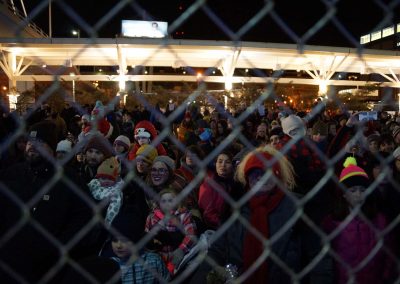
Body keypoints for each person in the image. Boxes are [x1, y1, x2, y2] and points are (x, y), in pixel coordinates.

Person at [190, 146, 333, 283]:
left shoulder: (298, 209)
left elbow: (318, 259)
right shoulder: (235, 210)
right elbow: (217, 251)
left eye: (266, 171)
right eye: (254, 172)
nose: (260, 177)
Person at [0, 121, 94, 283]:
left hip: (50, 268)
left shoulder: (69, 180)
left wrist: (58, 247)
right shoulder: (12, 174)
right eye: (29, 142)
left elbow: (83, 218)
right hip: (10, 264)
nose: (32, 147)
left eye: (40, 143)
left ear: (52, 148)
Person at [322, 156, 395, 284]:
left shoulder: (379, 219)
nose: (358, 195)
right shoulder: (333, 222)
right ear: (344, 194)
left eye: (362, 190)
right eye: (352, 190)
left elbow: (388, 252)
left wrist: (386, 276)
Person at [145, 188, 197, 276]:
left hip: (178, 256)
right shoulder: (152, 217)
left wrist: (181, 250)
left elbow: (191, 235)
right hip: (158, 257)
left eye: (170, 200)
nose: (167, 203)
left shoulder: (184, 216)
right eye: (163, 201)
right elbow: (146, 234)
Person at [198, 150, 244, 230]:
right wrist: (228, 226)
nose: (223, 165)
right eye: (220, 162)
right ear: (215, 164)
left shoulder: (237, 183)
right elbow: (209, 215)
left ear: (232, 165)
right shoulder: (208, 185)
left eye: (227, 162)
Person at [88, 156, 124, 225]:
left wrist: (107, 222)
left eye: (110, 179)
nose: (106, 181)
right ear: (98, 178)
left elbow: (114, 207)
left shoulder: (115, 191)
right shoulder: (95, 183)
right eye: (103, 178)